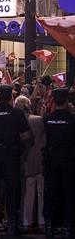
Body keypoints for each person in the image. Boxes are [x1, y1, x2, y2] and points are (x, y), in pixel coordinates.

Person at [0, 84, 31, 236]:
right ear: (11, 97)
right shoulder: (17, 114)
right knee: (12, 191)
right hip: (11, 155)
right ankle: (12, 225)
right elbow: (26, 135)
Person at [42, 88, 75, 238]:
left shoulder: (47, 119)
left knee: (50, 193)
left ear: (54, 101)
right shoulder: (72, 119)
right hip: (69, 162)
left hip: (51, 162)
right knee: (68, 194)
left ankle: (49, 226)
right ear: (67, 101)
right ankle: (67, 226)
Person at [14, 95, 45, 233]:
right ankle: (42, 221)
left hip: (24, 163)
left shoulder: (14, 121)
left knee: (27, 194)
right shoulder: (38, 120)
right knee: (41, 194)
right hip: (40, 161)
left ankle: (26, 222)